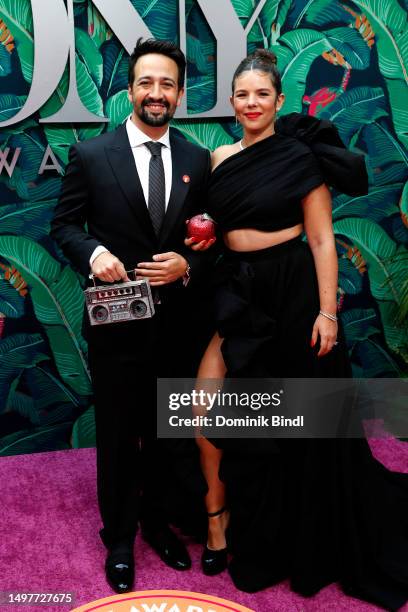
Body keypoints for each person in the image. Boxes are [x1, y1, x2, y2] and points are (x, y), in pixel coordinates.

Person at [189, 49, 408, 611]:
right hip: (239, 291)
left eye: (262, 94)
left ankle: (300, 539)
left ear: (279, 101)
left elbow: (320, 238)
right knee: (210, 403)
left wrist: (327, 311)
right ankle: (230, 519)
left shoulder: (299, 155)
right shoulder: (218, 157)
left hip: (294, 290)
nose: (251, 103)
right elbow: (223, 224)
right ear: (231, 103)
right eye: (242, 94)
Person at [51, 38, 215, 594]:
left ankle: (159, 524)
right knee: (120, 435)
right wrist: (94, 254)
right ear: (129, 89)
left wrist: (187, 264)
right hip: (117, 326)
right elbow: (63, 227)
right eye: (147, 82)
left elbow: (209, 238)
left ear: (180, 94)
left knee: (168, 434)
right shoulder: (91, 155)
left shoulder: (197, 158)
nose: (156, 93)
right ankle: (120, 538)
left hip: (178, 328)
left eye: (167, 84)